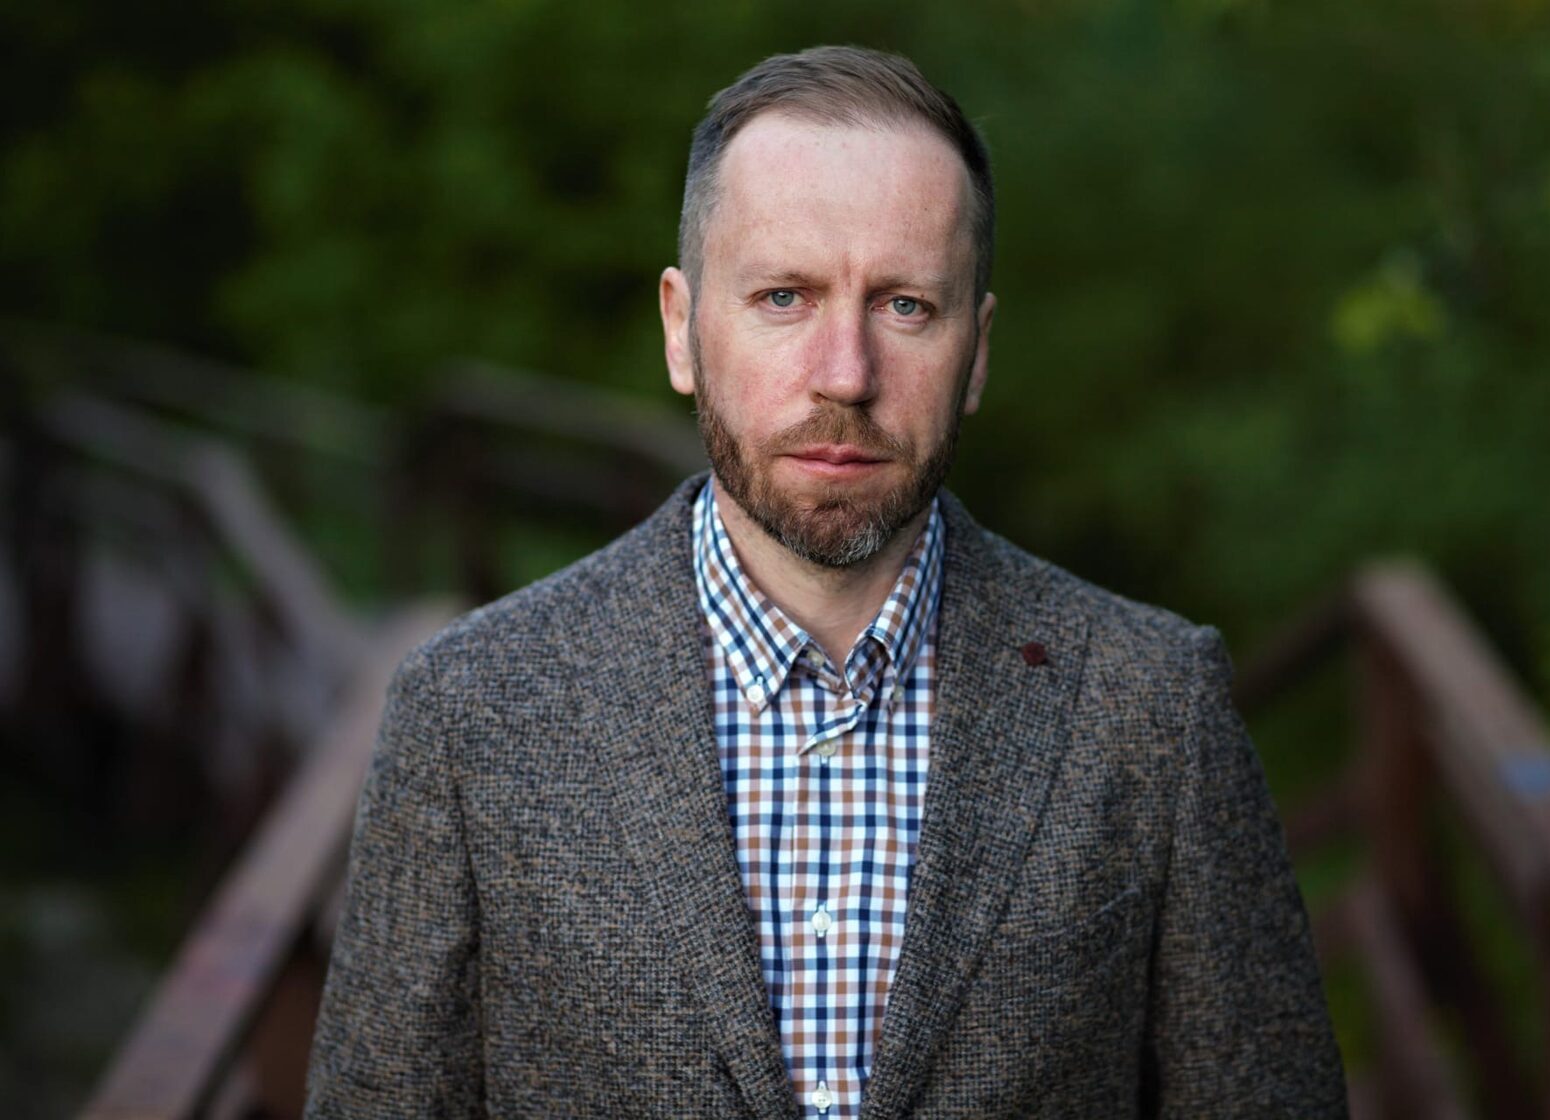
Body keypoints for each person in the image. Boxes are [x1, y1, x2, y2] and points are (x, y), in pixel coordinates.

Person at [306, 45, 1348, 1119]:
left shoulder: (1156, 704)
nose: (846, 373)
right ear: (681, 329)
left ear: (978, 350)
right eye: (783, 296)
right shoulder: (469, 712)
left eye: (905, 306)